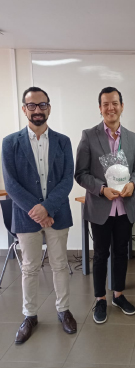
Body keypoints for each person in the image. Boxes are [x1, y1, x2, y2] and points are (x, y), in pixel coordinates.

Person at [2, 87, 77, 344]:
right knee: (29, 268)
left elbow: (67, 180)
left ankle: (63, 310)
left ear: (49, 108)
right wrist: (38, 211)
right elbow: (11, 184)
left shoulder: (63, 141)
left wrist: (48, 208)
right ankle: (29, 315)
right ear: (24, 109)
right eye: (32, 105)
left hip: (57, 214)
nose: (37, 110)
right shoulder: (10, 143)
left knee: (60, 265)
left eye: (42, 105)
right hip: (26, 216)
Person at [75, 87, 135, 323]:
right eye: (105, 104)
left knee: (121, 253)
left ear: (122, 106)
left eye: (114, 103)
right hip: (100, 206)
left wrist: (133, 185)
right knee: (101, 254)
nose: (110, 108)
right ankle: (100, 299)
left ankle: (118, 295)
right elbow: (80, 173)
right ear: (100, 108)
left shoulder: (132, 138)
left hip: (125, 206)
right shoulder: (89, 136)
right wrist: (101, 189)